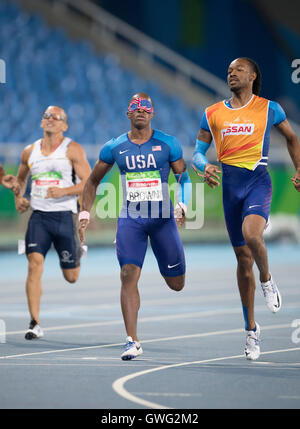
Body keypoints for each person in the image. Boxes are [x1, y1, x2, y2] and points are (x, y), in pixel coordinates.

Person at [193, 57, 300, 361]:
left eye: (238, 70)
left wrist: (299, 168)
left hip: (258, 183)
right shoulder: (212, 113)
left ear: (253, 75)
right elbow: (198, 152)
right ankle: (251, 330)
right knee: (242, 262)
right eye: (229, 71)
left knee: (251, 235)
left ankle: (266, 279)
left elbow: (292, 138)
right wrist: (204, 166)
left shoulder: (269, 108)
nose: (232, 74)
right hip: (230, 190)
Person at [79, 93, 191, 360]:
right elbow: (92, 181)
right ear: (128, 113)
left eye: (146, 107)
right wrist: (85, 211)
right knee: (128, 274)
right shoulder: (114, 147)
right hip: (131, 218)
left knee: (177, 284)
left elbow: (183, 178)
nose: (141, 110)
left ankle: (169, 274)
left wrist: (183, 205)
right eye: (135, 107)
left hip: (163, 220)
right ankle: (132, 340)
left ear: (152, 114)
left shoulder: (168, 144)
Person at [15, 105, 91, 340]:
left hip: (64, 217)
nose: (50, 119)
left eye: (55, 117)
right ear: (41, 123)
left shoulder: (73, 150)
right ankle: (34, 322)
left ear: (64, 125)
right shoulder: (30, 151)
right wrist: (20, 198)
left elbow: (89, 183)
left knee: (72, 277)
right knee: (34, 265)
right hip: (38, 218)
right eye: (46, 116)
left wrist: (64, 191)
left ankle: (77, 251)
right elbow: (20, 181)